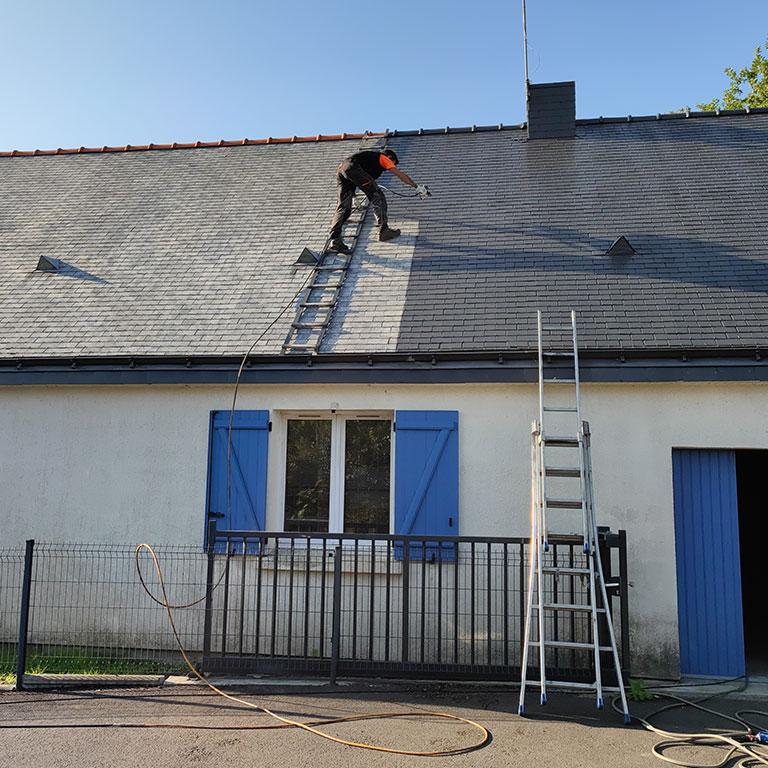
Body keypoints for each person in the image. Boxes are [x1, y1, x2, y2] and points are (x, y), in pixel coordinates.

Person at [327, 149, 427, 254]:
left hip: (341, 170)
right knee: (378, 197)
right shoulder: (383, 157)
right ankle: (383, 231)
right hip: (353, 168)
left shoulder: (367, 160)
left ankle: (335, 240)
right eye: (393, 163)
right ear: (389, 157)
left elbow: (355, 176)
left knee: (343, 207)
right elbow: (400, 175)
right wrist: (417, 187)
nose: (389, 167)